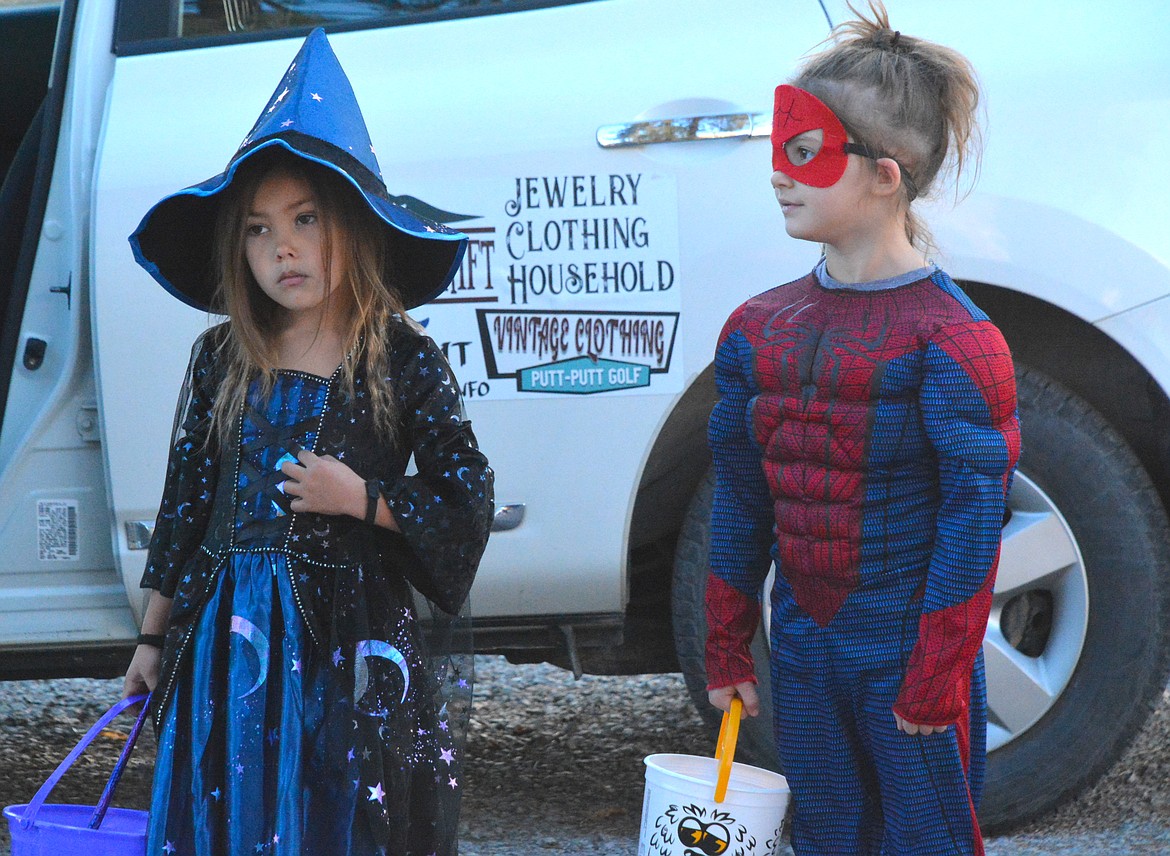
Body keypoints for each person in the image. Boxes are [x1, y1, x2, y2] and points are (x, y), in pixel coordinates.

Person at [121, 29, 493, 856]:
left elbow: (466, 493)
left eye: (305, 219)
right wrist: (153, 638)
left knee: (337, 808)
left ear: (353, 227)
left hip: (345, 642)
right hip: (229, 640)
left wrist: (360, 498)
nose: (281, 247)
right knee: (236, 803)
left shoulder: (397, 354)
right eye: (256, 229)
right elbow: (187, 505)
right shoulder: (222, 358)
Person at [703, 3, 1020, 854]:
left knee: (928, 842)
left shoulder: (955, 343)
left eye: (804, 152)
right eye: (778, 149)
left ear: (886, 175)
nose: (779, 173)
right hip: (803, 652)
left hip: (908, 663)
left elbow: (971, 523)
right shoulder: (755, 330)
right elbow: (741, 499)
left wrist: (938, 677)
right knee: (827, 836)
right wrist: (728, 646)